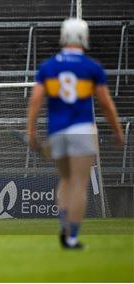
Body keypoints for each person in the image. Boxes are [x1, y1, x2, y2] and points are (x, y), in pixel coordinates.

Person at [27, 18, 124, 249]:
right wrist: (117, 131)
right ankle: (71, 237)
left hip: (56, 131)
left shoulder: (48, 67)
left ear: (63, 37)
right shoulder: (91, 67)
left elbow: (35, 101)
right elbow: (105, 103)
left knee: (65, 180)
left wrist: (31, 131)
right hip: (82, 129)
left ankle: (63, 225)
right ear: (84, 37)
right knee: (80, 184)